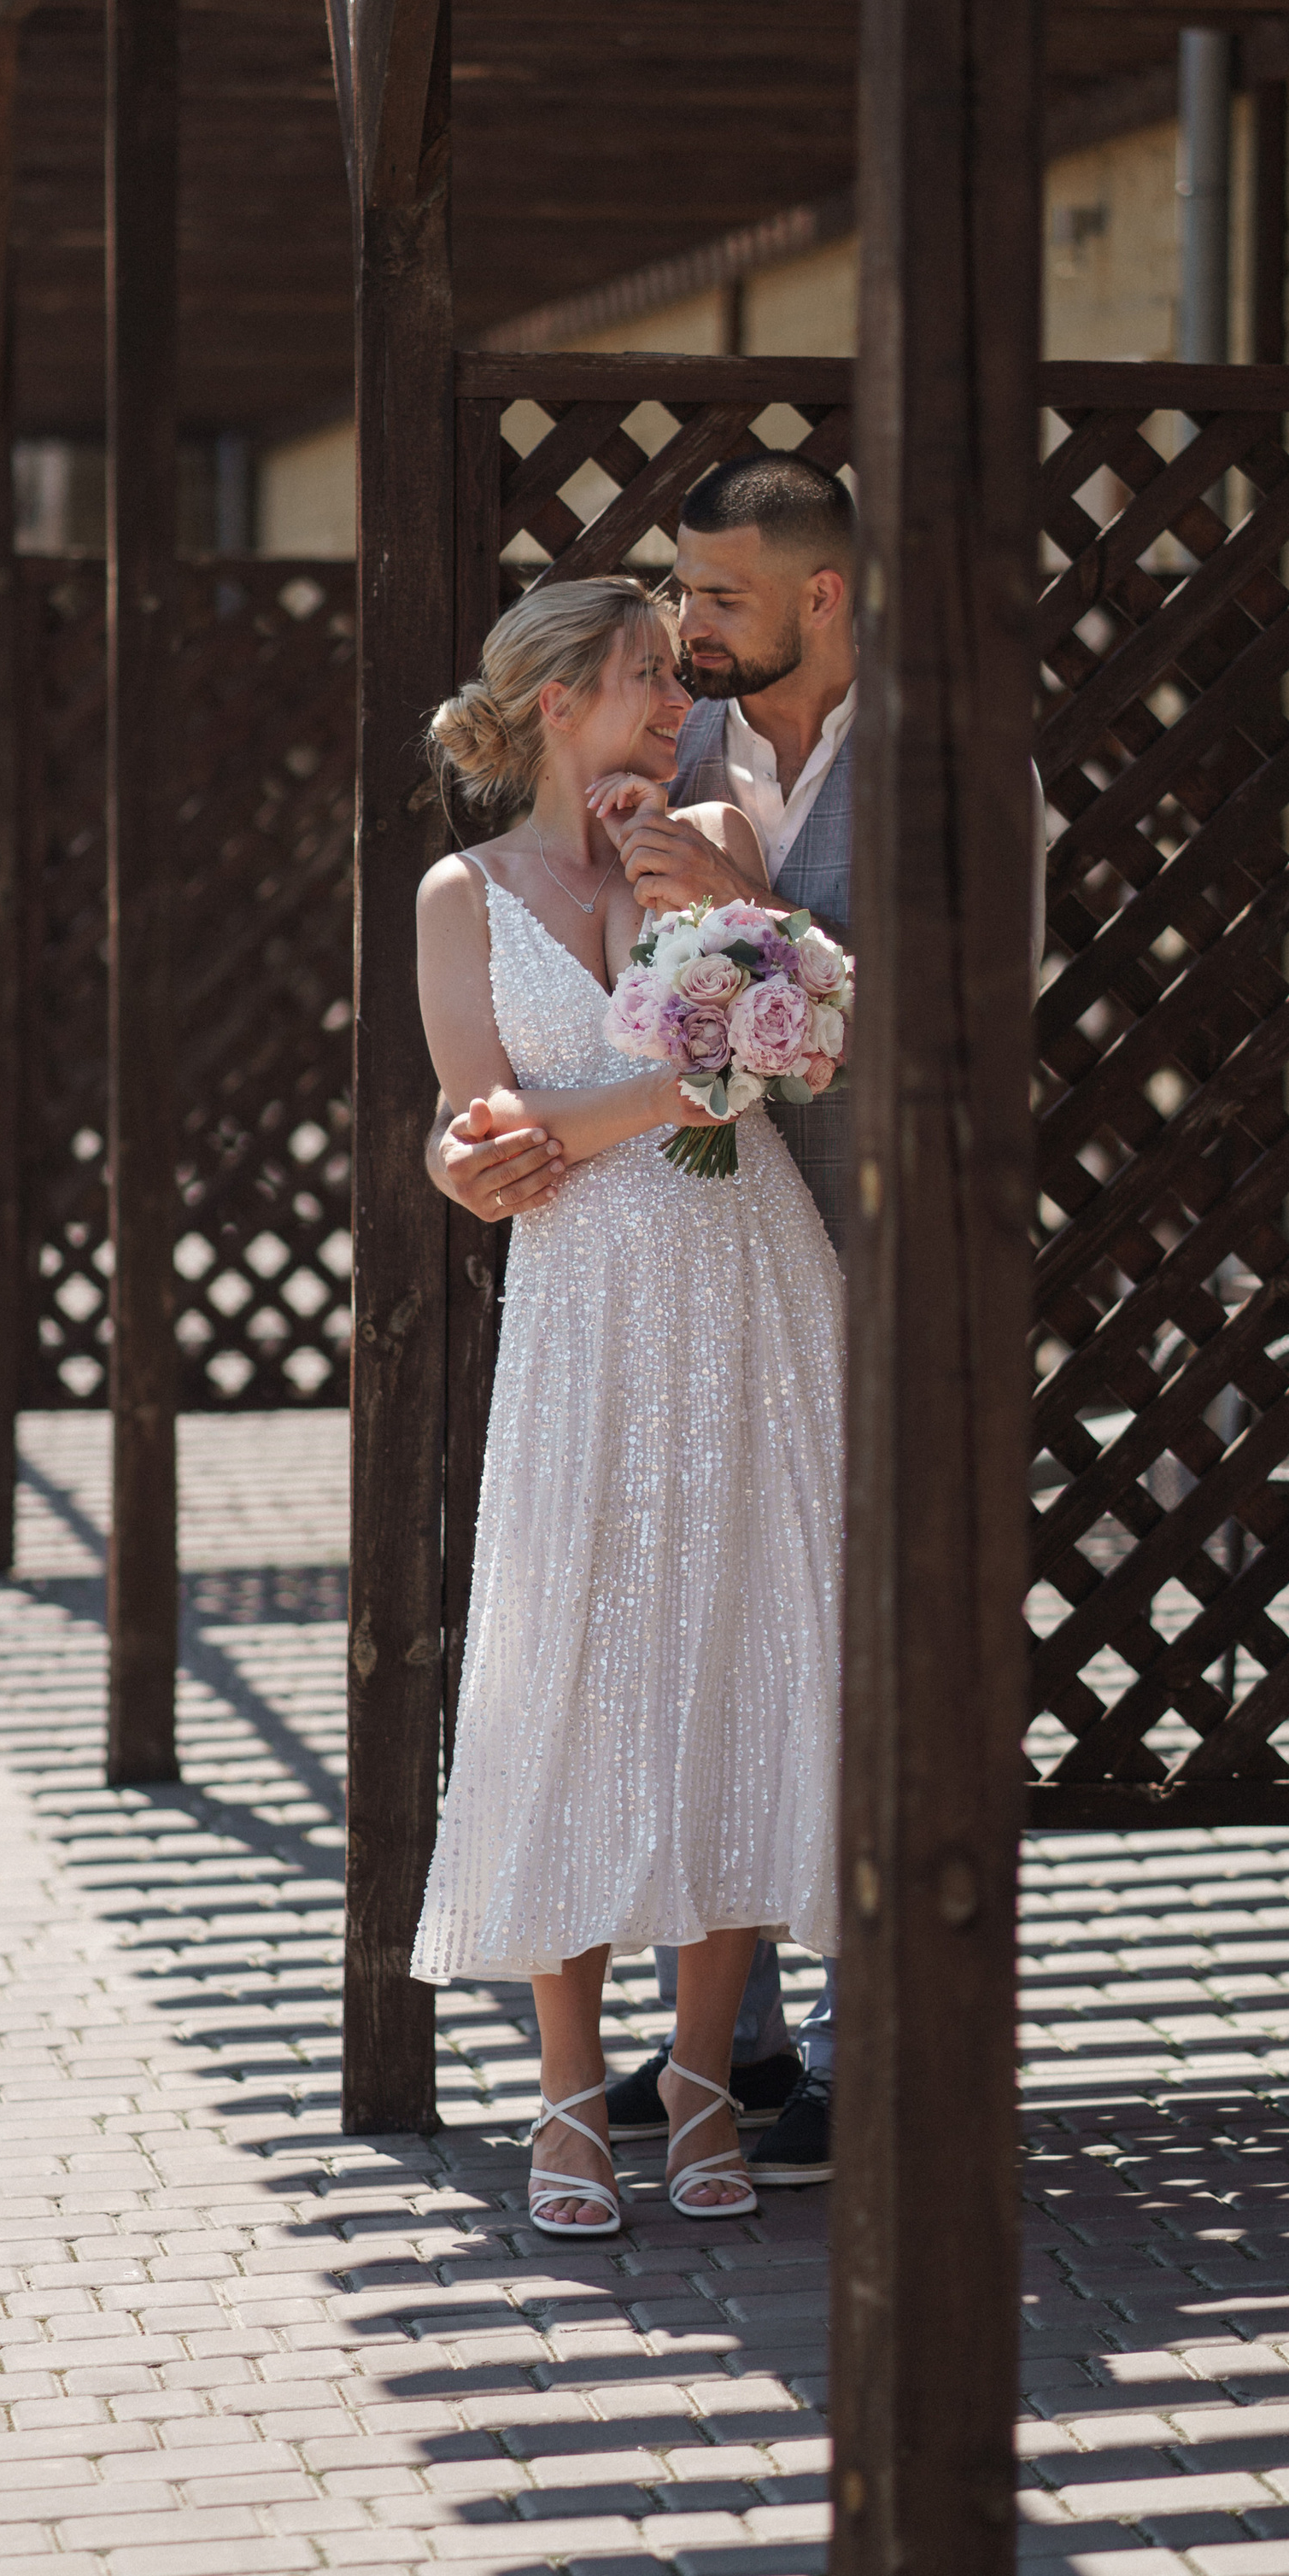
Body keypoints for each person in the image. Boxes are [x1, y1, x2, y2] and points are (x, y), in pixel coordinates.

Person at [431, 451, 863, 2185]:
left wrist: (573, 1120)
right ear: (559, 701)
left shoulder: (717, 839)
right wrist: (472, 1151)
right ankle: (563, 2089)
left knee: (739, 1654)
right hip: (585, 1309)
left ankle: (701, 2081)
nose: (676, 697)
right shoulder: (457, 895)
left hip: (746, 1283)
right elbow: (469, 1104)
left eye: (682, 676)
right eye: (643, 676)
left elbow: (761, 1063)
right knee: (571, 1663)